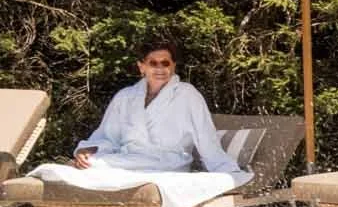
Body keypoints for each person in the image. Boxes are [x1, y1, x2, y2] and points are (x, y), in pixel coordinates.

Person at [72, 37, 245, 176]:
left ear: (173, 66)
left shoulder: (187, 95)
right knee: (84, 165)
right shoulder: (125, 96)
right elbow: (108, 136)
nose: (160, 68)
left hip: (168, 164)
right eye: (153, 63)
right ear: (142, 67)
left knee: (93, 168)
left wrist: (227, 173)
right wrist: (88, 150)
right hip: (129, 158)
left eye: (165, 63)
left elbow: (205, 137)